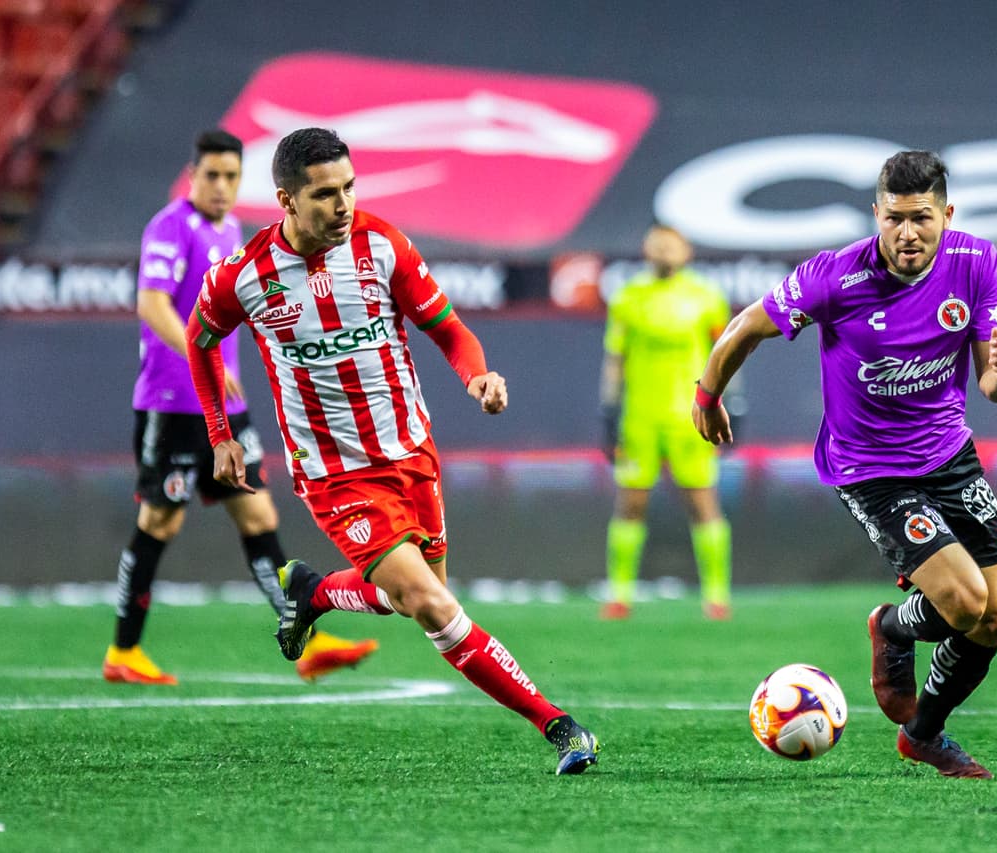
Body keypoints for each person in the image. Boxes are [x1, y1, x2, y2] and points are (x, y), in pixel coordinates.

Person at [184, 127, 600, 775]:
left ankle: (315, 593)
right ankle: (562, 727)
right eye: (324, 194)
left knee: (415, 594)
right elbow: (200, 338)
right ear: (287, 200)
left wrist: (477, 376)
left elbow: (448, 327)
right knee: (435, 607)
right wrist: (219, 432)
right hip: (333, 474)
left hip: (410, 454)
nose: (343, 203)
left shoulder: (383, 246)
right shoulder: (245, 277)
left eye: (349, 186)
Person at [692, 151, 997, 779]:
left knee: (993, 619)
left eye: (921, 218)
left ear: (946, 216)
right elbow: (742, 330)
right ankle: (896, 629)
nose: (907, 234)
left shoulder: (977, 262)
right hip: (872, 469)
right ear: (876, 214)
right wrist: (707, 395)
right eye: (894, 218)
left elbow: (993, 384)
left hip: (950, 453)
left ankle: (923, 733)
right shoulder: (834, 276)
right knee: (963, 602)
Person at [104, 129, 378, 686]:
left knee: (258, 515)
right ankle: (123, 651)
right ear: (193, 175)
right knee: (159, 519)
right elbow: (151, 303)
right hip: (171, 403)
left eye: (232, 176)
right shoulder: (169, 227)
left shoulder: (233, 232)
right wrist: (201, 352)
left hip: (226, 409)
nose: (223, 186)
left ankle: (306, 639)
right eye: (213, 175)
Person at [599, 224, 735, 620]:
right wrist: (609, 410)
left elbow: (724, 353)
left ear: (686, 250)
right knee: (630, 503)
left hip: (691, 418)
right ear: (646, 249)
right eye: (656, 242)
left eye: (670, 243)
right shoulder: (627, 298)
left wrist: (733, 402)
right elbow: (615, 359)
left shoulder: (707, 297)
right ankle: (619, 595)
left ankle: (716, 596)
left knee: (702, 501)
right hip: (640, 418)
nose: (663, 250)